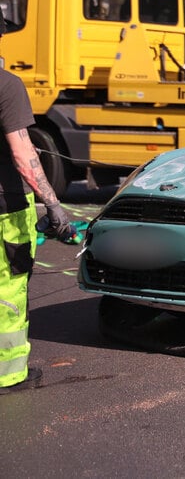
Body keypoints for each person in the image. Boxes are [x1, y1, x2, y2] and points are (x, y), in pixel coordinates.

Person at [1, 48, 72, 391]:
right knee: (8, 293)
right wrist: (54, 207)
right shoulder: (7, 85)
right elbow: (22, 152)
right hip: (5, 211)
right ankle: (9, 374)